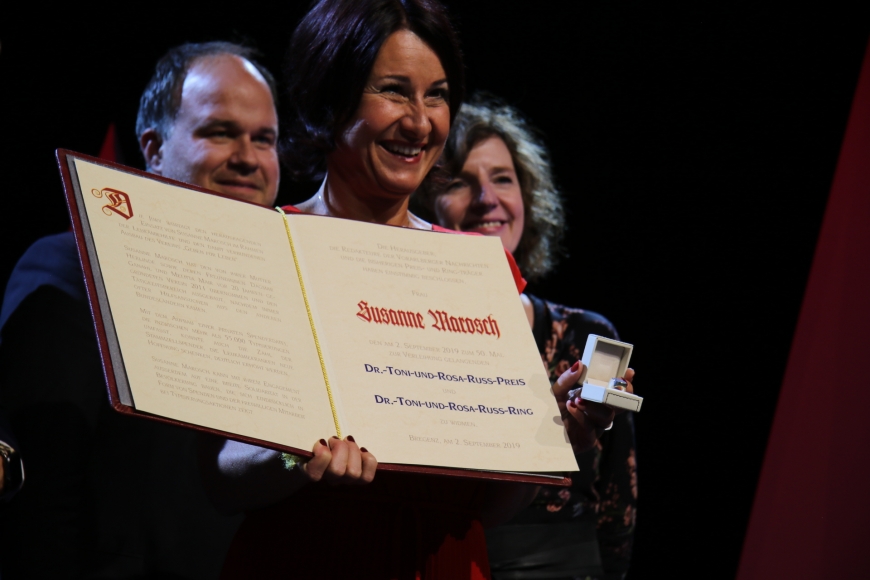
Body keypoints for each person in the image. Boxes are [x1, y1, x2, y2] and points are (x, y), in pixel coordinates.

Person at [200, 2, 623, 579]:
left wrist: (553, 437)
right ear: (332, 97)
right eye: (395, 92)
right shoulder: (271, 246)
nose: (421, 123)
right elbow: (223, 478)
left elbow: (490, 509)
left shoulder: (475, 271)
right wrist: (297, 457)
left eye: (438, 95)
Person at [0, 41, 280, 579]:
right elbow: (46, 487)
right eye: (219, 132)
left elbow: (283, 458)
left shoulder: (287, 292)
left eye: (263, 139)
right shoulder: (73, 267)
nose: (247, 157)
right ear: (152, 149)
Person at [415, 96, 638, 580]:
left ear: (527, 197)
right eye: (459, 182)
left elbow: (617, 503)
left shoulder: (588, 335)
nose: (486, 198)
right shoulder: (407, 333)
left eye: (502, 178)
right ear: (423, 204)